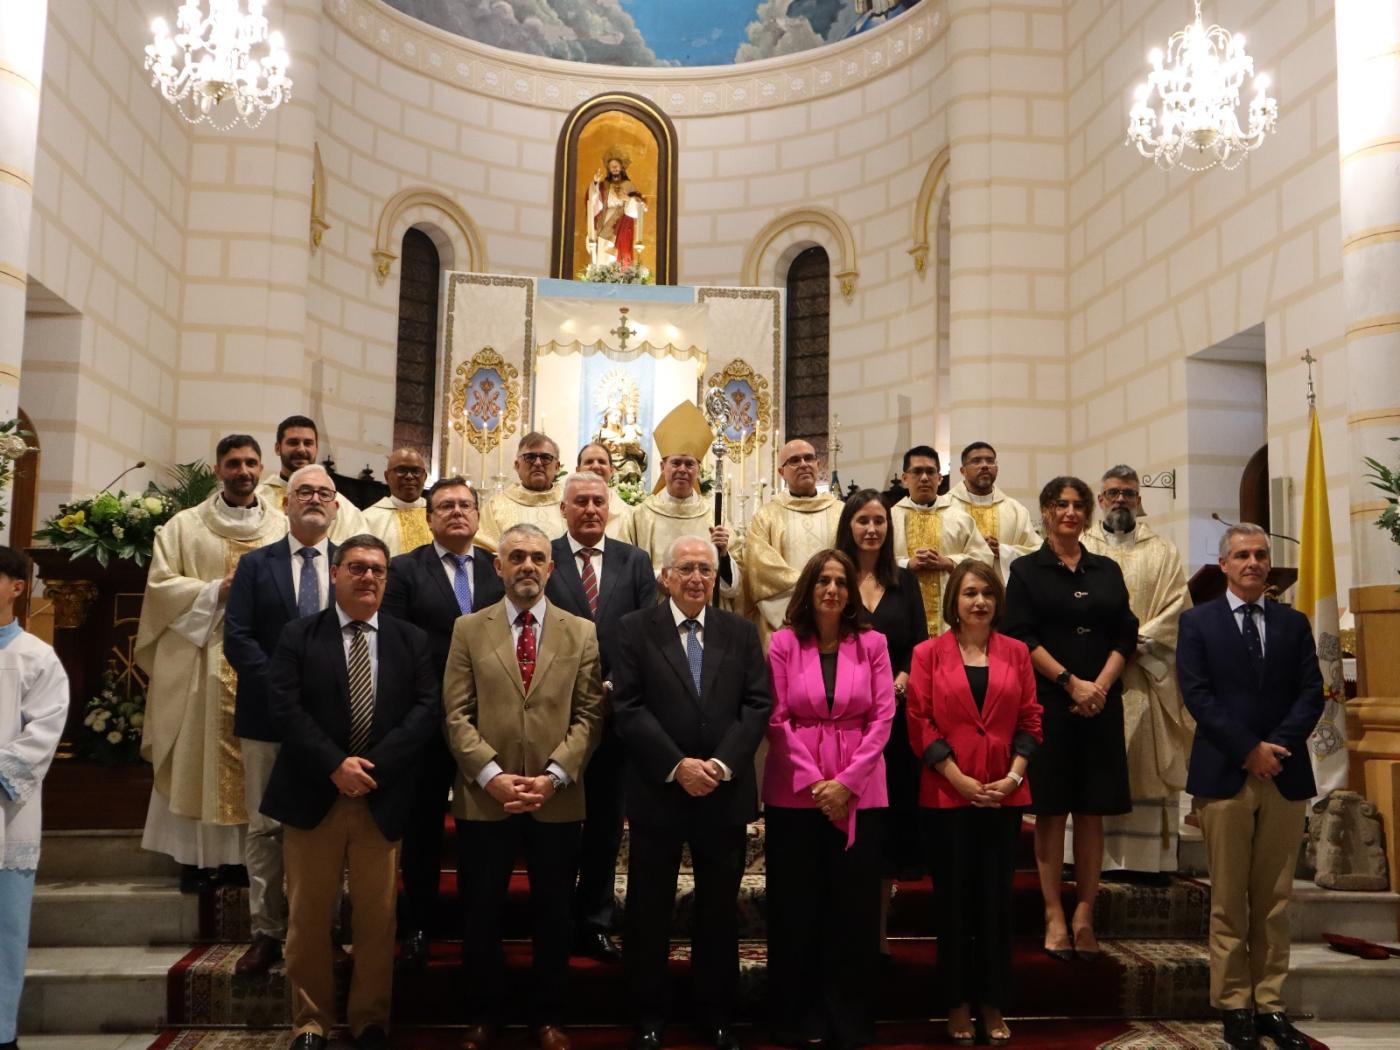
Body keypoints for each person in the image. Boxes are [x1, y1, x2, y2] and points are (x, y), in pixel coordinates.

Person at [261, 534, 441, 1050]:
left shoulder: (411, 640)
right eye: (358, 568)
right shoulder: (299, 635)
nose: (368, 578)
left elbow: (425, 710)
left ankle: (369, 1020)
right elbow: (285, 708)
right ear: (335, 573)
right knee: (309, 917)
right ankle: (311, 1022)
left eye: (378, 570)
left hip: (379, 797)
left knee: (377, 918)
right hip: (313, 795)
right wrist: (335, 764)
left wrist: (372, 767)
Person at [443, 523, 605, 1050]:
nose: (528, 565)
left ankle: (547, 1016)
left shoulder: (580, 631)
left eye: (538, 556)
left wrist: (554, 775)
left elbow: (589, 717)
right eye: (517, 556)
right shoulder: (468, 628)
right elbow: (456, 714)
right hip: (485, 797)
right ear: (499, 566)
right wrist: (491, 775)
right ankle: (483, 1016)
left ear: (552, 567)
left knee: (555, 913)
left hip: (555, 798)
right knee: (482, 911)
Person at [612, 536, 771, 1050]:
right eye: (686, 569)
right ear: (666, 576)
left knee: (719, 910)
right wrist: (677, 765)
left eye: (706, 568)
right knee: (649, 907)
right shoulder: (634, 630)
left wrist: (722, 765)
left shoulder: (741, 632)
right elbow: (629, 707)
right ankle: (648, 1013)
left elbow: (756, 705)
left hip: (723, 794)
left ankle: (716, 1014)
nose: (698, 578)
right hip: (659, 790)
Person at [1177, 524, 1323, 1050]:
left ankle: (1271, 1004)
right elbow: (1197, 695)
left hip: (1284, 776)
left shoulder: (1293, 623)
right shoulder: (1198, 623)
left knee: (1275, 900)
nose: (1254, 563)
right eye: (1242, 555)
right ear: (1224, 565)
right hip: (1224, 775)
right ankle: (1235, 1004)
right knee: (1229, 900)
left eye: (1261, 555)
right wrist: (1248, 750)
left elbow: (1312, 692)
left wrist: (1275, 748)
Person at [137, 434, 287, 879]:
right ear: (219, 468)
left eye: (251, 464)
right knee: (197, 755)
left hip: (262, 659)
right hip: (202, 653)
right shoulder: (185, 526)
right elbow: (160, 587)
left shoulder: (280, 527)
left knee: (259, 761)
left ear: (262, 469)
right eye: (234, 463)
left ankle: (251, 861)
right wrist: (215, 590)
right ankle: (199, 858)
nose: (244, 472)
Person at [763, 549, 894, 1050]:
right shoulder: (782, 643)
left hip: (861, 793)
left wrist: (847, 783)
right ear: (808, 589)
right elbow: (776, 719)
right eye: (823, 581)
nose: (833, 589)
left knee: (853, 910)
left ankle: (848, 1018)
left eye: (840, 581)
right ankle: (797, 1016)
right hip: (796, 792)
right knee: (796, 909)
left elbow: (883, 718)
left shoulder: (874, 644)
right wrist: (819, 782)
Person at [907, 560, 1041, 1046]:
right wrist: (958, 778)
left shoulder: (1018, 653)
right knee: (955, 905)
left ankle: (992, 1000)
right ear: (954, 602)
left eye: (986, 592)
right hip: (948, 796)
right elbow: (919, 722)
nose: (979, 601)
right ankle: (958, 1001)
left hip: (1003, 797)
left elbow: (1031, 719)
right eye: (969, 593)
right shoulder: (928, 653)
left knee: (994, 904)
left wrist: (1011, 777)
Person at [1003, 476, 1137, 963]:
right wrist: (1070, 684)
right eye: (1061, 504)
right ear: (1044, 511)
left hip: (1101, 703)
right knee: (1053, 809)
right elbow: (1019, 635)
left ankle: (1084, 912)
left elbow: (1126, 632)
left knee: (1092, 809)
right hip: (1050, 704)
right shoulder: (1026, 570)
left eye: (1079, 505)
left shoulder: (1106, 569)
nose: (1071, 513)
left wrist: (1099, 685)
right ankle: (1053, 912)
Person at [381, 476, 504, 971]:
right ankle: (418, 926)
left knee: (483, 830)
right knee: (424, 827)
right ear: (429, 518)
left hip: (491, 720)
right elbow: (396, 646)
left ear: (477, 516)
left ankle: (481, 924)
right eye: (446, 506)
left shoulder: (498, 569)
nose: (457, 512)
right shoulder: (405, 570)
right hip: (427, 719)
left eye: (465, 505)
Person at [223, 464, 340, 976]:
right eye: (304, 491)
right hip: (267, 717)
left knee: (330, 826)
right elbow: (238, 638)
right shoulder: (255, 565)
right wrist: (284, 689)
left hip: (336, 721)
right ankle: (266, 931)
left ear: (336, 507)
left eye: (324, 493)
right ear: (286, 503)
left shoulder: (352, 564)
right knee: (266, 827)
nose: (314, 499)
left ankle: (327, 928)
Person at [542, 472, 657, 965]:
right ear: (563, 510)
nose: (590, 509)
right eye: (580, 502)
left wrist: (615, 688)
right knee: (558, 826)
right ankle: (555, 919)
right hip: (554, 715)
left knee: (608, 823)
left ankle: (595, 920)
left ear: (610, 509)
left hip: (615, 715)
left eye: (598, 502)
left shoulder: (635, 561)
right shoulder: (542, 557)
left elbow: (646, 632)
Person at [1081, 466, 1193, 877]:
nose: (1121, 499)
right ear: (1101, 500)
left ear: (1139, 498)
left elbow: (1177, 607)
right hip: (1091, 677)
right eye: (1113, 493)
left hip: (1145, 674)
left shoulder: (1162, 551)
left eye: (1129, 492)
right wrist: (1105, 651)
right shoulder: (1080, 548)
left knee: (1144, 766)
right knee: (1093, 765)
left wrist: (1131, 643)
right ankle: (1090, 860)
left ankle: (1146, 864)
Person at [834, 489, 928, 942]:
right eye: (863, 521)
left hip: (893, 719)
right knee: (848, 821)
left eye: (879, 521)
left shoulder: (904, 581)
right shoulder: (833, 576)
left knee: (885, 824)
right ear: (848, 525)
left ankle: (879, 933)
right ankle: (843, 928)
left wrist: (906, 677)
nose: (872, 529)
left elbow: (919, 643)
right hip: (844, 722)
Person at [0, 547, 70, 1050]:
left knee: (4, 933)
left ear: (17, 587)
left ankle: (1, 1034)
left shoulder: (34, 657)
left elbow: (43, 730)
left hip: (7, 815)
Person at [626, 401, 742, 605]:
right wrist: (658, 578)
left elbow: (732, 588)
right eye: (676, 463)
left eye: (689, 464)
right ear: (663, 467)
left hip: (704, 613)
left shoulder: (714, 516)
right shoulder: (640, 516)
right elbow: (626, 567)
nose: (682, 469)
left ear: (698, 470)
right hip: (656, 612)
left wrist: (723, 555)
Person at [742, 439, 844, 648]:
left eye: (809, 458)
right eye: (794, 460)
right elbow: (759, 568)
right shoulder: (766, 516)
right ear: (782, 472)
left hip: (836, 619)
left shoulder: (840, 512)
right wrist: (811, 589)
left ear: (818, 465)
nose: (804, 464)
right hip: (784, 621)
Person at [889, 446, 989, 635]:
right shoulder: (890, 518)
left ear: (939, 478)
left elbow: (984, 559)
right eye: (917, 471)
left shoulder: (959, 518)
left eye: (930, 472)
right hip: (903, 614)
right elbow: (872, 563)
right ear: (904, 479)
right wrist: (906, 563)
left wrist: (949, 562)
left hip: (951, 618)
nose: (924, 478)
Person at [255, 415, 369, 544]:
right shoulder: (259, 499)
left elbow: (360, 549)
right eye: (293, 443)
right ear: (277, 448)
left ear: (316, 448)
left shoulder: (343, 507)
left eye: (308, 443)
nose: (301, 449)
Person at [944, 442, 1040, 578]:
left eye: (990, 461)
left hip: (1003, 591)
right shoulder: (945, 507)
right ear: (963, 471)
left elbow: (1036, 552)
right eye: (976, 461)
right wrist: (978, 549)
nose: (985, 465)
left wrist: (1002, 550)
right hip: (959, 590)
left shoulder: (1015, 510)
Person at [476, 432, 567, 552]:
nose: (538, 463)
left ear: (557, 467)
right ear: (517, 466)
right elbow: (484, 552)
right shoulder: (496, 507)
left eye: (545, 458)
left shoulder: (572, 503)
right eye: (530, 457)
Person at [362, 448, 432, 557]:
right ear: (387, 476)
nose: (409, 476)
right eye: (401, 470)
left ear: (425, 477)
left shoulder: (438, 516)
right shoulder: (368, 519)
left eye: (416, 471)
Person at [587, 147, 647, 268]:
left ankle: (618, 272)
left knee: (619, 247)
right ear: (608, 169)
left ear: (622, 168)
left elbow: (640, 205)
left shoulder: (628, 185)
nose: (614, 168)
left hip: (623, 220)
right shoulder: (605, 185)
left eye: (617, 166)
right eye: (612, 166)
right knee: (603, 244)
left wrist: (628, 199)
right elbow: (593, 199)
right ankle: (602, 271)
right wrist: (595, 183)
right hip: (605, 217)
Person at [577, 440, 632, 540]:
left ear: (611, 470)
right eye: (589, 461)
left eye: (602, 462)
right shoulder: (565, 511)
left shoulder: (628, 515)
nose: (596, 466)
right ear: (578, 470)